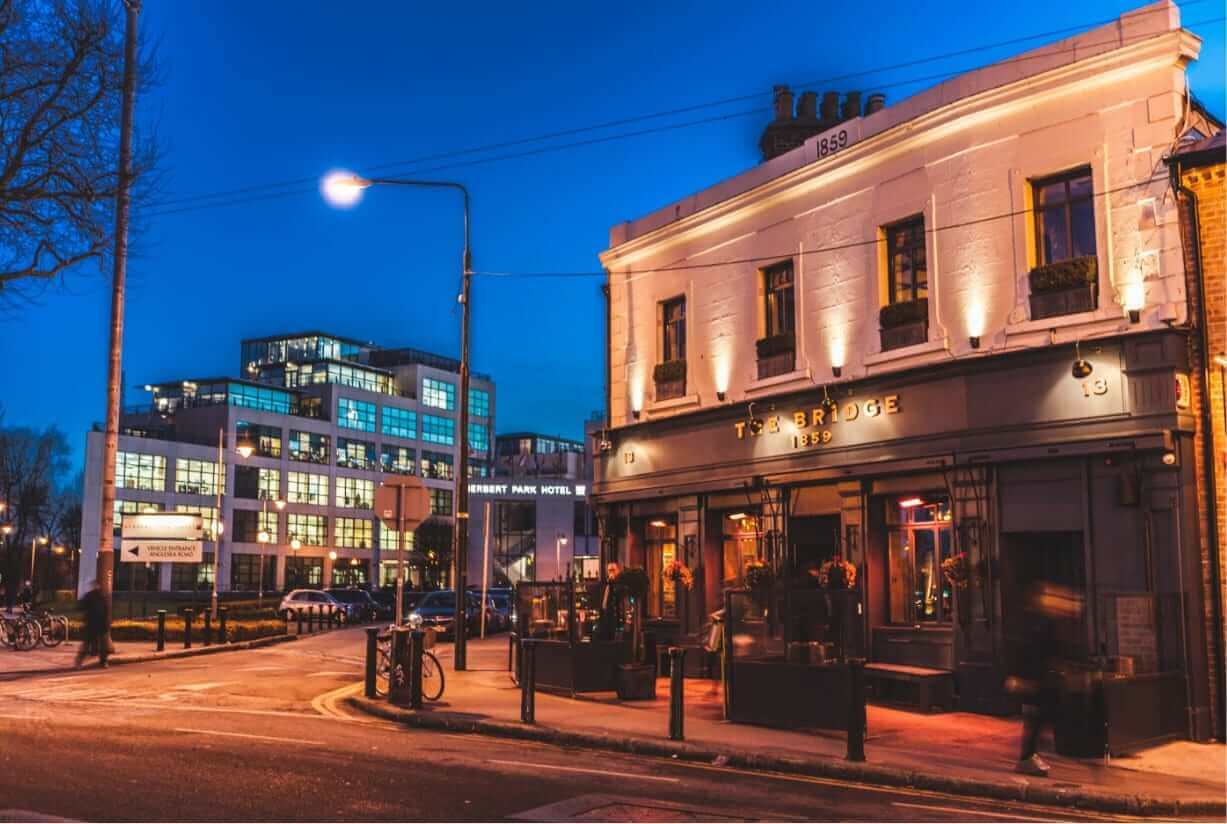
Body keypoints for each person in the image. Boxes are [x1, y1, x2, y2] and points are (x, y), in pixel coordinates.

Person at [1005, 580, 1083, 777]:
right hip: (1035, 678)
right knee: (1036, 717)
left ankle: (1029, 757)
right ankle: (1026, 758)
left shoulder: (1046, 621)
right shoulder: (1037, 623)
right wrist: (1021, 677)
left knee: (1038, 718)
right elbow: (1028, 650)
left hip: (1041, 678)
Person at [75, 581, 110, 668]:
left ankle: (79, 662)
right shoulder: (102, 596)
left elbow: (80, 607)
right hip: (99, 624)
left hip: (92, 624)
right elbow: (106, 610)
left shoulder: (91, 596)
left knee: (88, 644)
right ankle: (103, 662)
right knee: (102, 645)